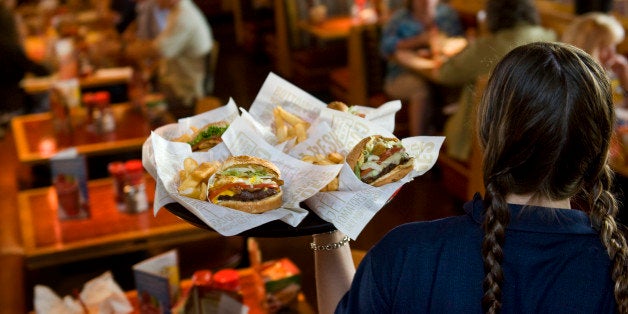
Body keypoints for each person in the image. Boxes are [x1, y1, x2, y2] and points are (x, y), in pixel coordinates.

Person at [313, 41, 628, 313]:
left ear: (487, 133)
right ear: (601, 149)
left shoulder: (405, 254)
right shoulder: (618, 272)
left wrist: (327, 226)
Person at [405, 0, 556, 161]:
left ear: (493, 15)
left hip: (488, 137)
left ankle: (423, 163)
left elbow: (445, 74)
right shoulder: (548, 37)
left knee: (443, 116)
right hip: (537, 136)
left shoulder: (488, 45)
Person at [379, 0, 464, 135]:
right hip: (400, 74)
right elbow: (385, 47)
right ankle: (417, 146)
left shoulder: (446, 14)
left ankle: (452, 143)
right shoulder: (400, 17)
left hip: (439, 72)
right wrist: (419, 40)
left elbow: (460, 41)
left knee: (460, 88)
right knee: (421, 90)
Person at [124, 0, 213, 119]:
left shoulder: (183, 16)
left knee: (134, 101)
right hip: (176, 80)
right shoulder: (177, 10)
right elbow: (159, 46)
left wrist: (124, 50)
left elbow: (158, 50)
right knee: (136, 88)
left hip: (184, 90)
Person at [0, 1, 50, 134]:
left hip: (7, 107)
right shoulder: (8, 48)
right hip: (11, 109)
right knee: (47, 100)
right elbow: (42, 71)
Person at [561, 12, 628, 108]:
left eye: (614, 47)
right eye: (605, 47)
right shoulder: (573, 81)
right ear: (587, 47)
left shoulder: (611, 74)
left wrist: (625, 81)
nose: (612, 54)